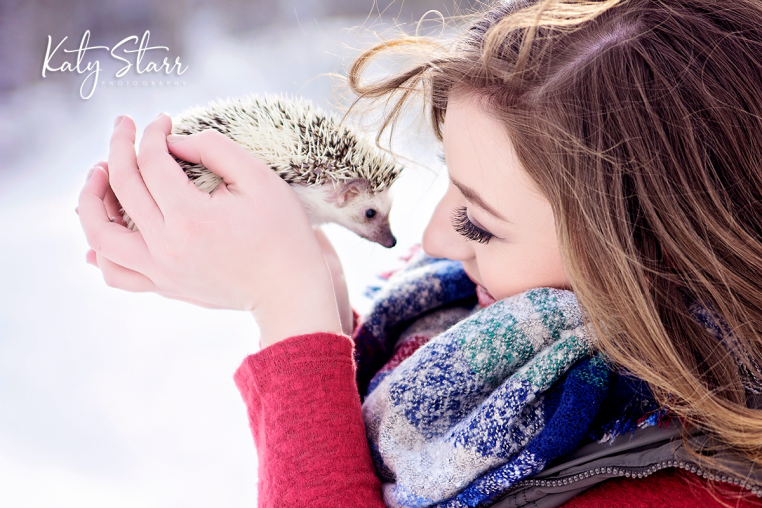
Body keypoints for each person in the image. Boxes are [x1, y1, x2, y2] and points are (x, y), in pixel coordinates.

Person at [76, 0, 762, 506]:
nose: (431, 241)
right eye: (449, 179)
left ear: (652, 257)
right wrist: (319, 300)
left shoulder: (693, 487)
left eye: (479, 222)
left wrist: (290, 314)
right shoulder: (455, 317)